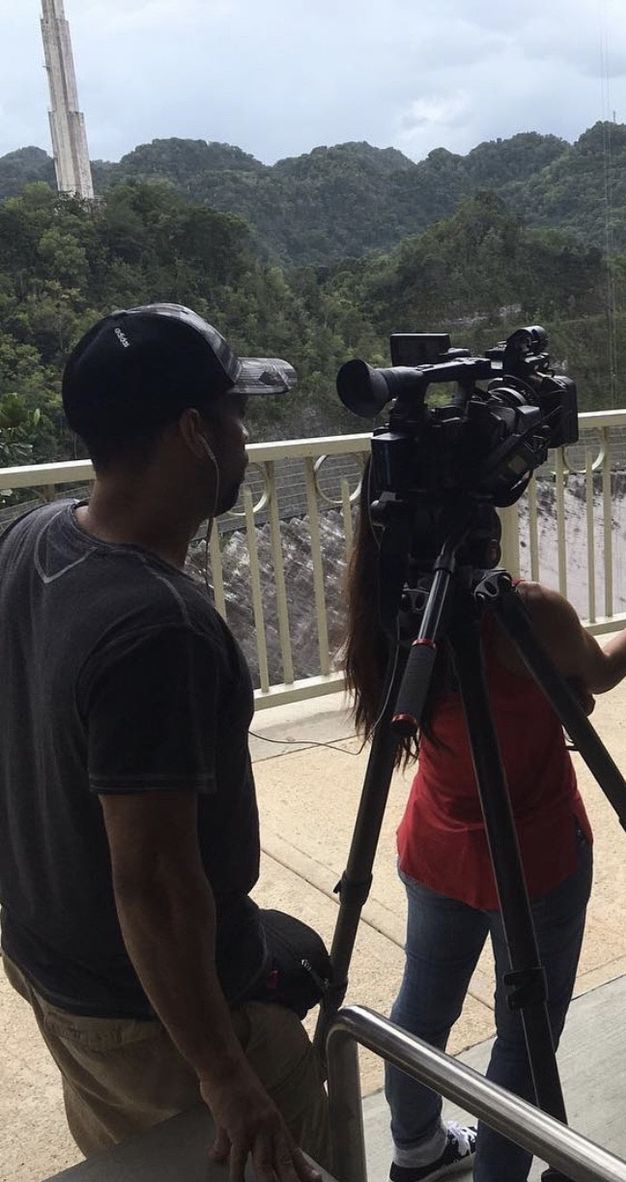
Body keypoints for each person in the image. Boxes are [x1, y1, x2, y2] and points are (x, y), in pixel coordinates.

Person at [0, 304, 331, 1181]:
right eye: (236, 415)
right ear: (195, 432)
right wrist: (225, 1073)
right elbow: (152, 882)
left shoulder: (31, 536)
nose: (244, 436)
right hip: (153, 1021)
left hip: (56, 972)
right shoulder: (159, 627)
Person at [342, 481, 626, 1182]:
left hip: (437, 845)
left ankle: (416, 1150)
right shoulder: (525, 612)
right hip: (534, 857)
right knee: (525, 1036)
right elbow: (600, 673)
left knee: (420, 1011)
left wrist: (559, 691)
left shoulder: (393, 613)